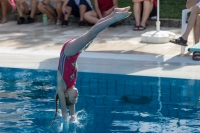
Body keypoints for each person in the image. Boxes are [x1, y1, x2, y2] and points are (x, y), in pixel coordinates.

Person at [50, 6, 131, 125]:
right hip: (75, 53)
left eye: (74, 98)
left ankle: (115, 18)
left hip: (67, 53)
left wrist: (65, 119)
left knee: (92, 33)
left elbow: (64, 109)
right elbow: (72, 107)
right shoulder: (71, 85)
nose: (77, 96)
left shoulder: (62, 87)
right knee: (94, 32)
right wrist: (73, 117)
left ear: (65, 94)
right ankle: (113, 14)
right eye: (76, 99)